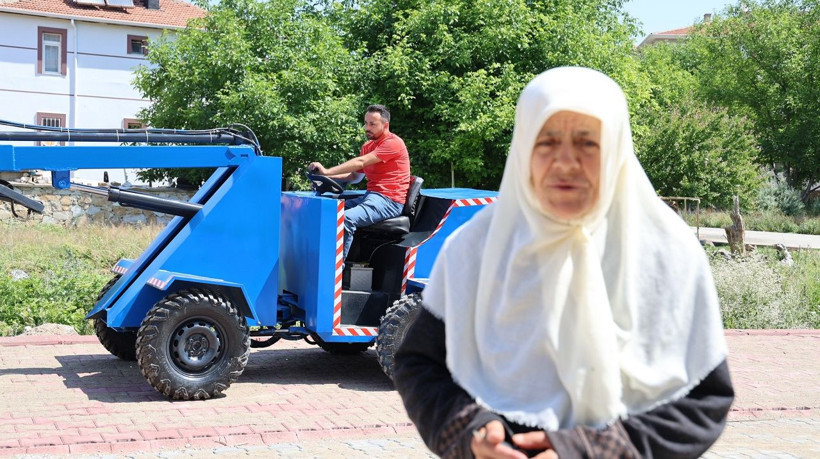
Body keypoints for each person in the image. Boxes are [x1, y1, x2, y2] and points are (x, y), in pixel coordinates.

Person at [392, 67, 734, 458]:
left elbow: (704, 400)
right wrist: (472, 432)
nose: (566, 162)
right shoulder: (475, 250)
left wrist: (589, 450)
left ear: (617, 150)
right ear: (523, 150)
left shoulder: (667, 253)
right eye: (547, 141)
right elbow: (420, 366)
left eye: (588, 143)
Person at [309, 104, 411, 259]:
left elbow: (361, 162)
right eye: (366, 123)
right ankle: (317, 260)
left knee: (346, 219)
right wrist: (324, 177)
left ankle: (335, 273)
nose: (367, 127)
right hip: (371, 197)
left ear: (385, 125)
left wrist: (327, 171)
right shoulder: (367, 146)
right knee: (328, 210)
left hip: (389, 201)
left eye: (372, 124)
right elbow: (354, 177)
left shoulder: (393, 143)